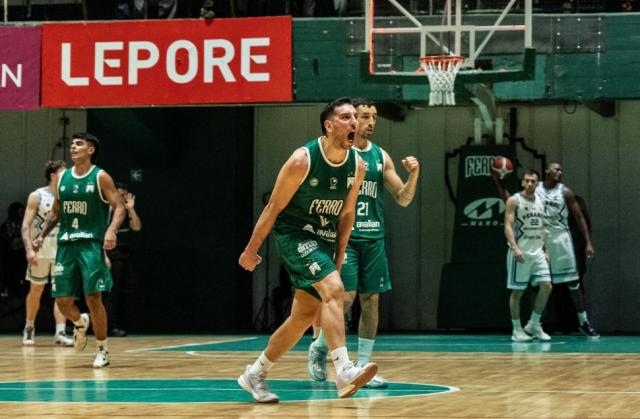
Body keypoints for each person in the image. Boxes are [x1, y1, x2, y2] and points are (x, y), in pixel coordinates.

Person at [237, 97, 376, 403]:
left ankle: (255, 374)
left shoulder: (358, 165)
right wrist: (251, 249)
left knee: (301, 318)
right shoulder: (303, 159)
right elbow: (273, 208)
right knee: (334, 290)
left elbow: (347, 215)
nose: (354, 122)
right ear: (329, 125)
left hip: (325, 239)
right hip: (295, 234)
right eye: (346, 117)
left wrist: (338, 256)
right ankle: (344, 369)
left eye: (355, 117)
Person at [307, 98, 420, 387]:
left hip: (373, 238)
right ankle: (319, 348)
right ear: (352, 119)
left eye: (374, 117)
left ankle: (364, 365)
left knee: (371, 300)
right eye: (364, 116)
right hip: (344, 237)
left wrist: (414, 175)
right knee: (345, 298)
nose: (370, 122)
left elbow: (403, 198)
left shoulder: (380, 156)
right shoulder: (336, 153)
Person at [33, 133, 125, 368]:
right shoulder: (63, 178)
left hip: (90, 244)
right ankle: (80, 321)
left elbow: (119, 207)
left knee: (93, 297)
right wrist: (41, 235)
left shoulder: (100, 176)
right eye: (72, 144)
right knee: (63, 301)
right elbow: (55, 212)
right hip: (66, 245)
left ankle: (102, 350)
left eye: (79, 144)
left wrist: (111, 230)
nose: (73, 147)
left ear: (90, 150)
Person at [536, 163, 598, 338]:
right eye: (556, 169)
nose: (560, 172)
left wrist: (588, 242)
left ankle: (583, 322)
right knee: (539, 284)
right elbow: (514, 202)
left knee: (573, 284)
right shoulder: (535, 188)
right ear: (547, 170)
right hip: (540, 239)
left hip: (561, 239)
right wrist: (499, 183)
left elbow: (579, 217)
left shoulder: (565, 192)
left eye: (561, 170)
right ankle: (535, 323)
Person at [20, 161, 74, 347]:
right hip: (40, 251)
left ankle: (60, 331)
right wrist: (29, 249)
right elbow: (26, 225)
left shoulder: (69, 195)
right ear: (52, 175)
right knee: (36, 290)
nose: (67, 175)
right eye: (63, 173)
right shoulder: (37, 196)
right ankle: (29, 327)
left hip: (62, 251)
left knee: (62, 293)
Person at [504, 170, 553, 342]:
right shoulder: (514, 200)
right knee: (517, 292)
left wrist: (546, 250)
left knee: (547, 286)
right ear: (522, 182)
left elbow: (543, 227)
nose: (530, 183)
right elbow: (508, 225)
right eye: (527, 180)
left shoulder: (541, 201)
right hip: (521, 252)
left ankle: (534, 324)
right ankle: (517, 330)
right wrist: (514, 247)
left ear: (537, 183)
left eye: (533, 181)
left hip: (538, 252)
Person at [105, 182, 142, 337]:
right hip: (110, 254)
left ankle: (122, 323)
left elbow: (137, 227)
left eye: (124, 195)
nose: (122, 197)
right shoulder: (105, 210)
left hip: (124, 254)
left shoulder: (125, 210)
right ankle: (110, 326)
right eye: (120, 195)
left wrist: (131, 209)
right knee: (111, 292)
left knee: (127, 289)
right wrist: (104, 255)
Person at [0, 202, 27, 298]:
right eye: (20, 213)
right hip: (11, 254)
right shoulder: (7, 225)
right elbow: (10, 240)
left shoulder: (24, 223)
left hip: (21, 252)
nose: (22, 215)